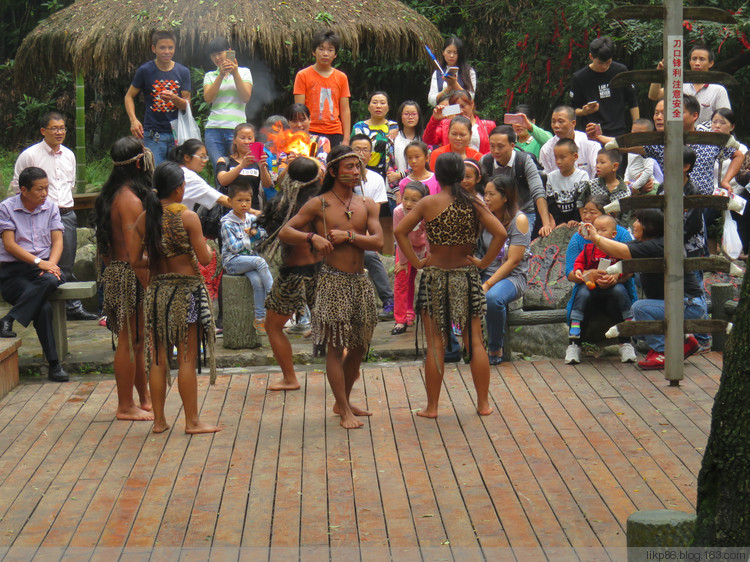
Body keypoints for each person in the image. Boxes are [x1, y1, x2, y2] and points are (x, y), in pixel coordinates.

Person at [394, 152, 507, 418]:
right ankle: (483, 404)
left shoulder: (428, 203)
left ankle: (432, 407)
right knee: (475, 341)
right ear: (459, 176)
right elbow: (501, 233)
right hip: (466, 275)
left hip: (435, 276)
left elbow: (400, 231)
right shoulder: (475, 204)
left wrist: (417, 262)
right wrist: (482, 262)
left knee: (435, 343)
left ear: (438, 175)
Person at [279, 145, 383, 429]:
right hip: (332, 280)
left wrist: (349, 235)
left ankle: (343, 402)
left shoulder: (367, 204)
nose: (355, 171)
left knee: (360, 346)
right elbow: (286, 231)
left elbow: (378, 242)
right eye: (349, 167)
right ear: (335, 171)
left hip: (360, 282)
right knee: (336, 347)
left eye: (358, 166)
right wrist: (312, 237)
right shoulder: (319, 203)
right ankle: (343, 410)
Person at [130, 161, 220, 434]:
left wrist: (160, 257)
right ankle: (192, 421)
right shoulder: (187, 217)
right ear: (180, 189)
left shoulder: (144, 219)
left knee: (158, 358)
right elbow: (204, 258)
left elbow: (135, 260)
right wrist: (210, 252)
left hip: (157, 293)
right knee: (187, 359)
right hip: (187, 293)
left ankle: (159, 421)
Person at [578, 209, 704, 370]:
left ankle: (662, 352)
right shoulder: (644, 243)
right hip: (672, 304)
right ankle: (684, 341)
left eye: (639, 221)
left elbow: (623, 252)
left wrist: (595, 237)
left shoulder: (660, 245)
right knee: (635, 329)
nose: (634, 224)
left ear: (651, 226)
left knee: (639, 308)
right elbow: (616, 249)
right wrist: (593, 237)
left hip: (689, 304)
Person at [10, 111, 97, 321]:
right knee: (38, 261)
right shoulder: (30, 155)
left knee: (65, 263)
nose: (59, 132)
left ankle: (72, 308)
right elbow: (17, 186)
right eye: (54, 128)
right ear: (43, 131)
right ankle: (42, 306)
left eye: (62, 128)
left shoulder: (69, 155)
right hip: (37, 215)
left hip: (65, 214)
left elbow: (70, 185)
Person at [94, 137, 154, 420]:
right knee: (130, 340)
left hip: (119, 272)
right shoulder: (129, 199)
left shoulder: (113, 193)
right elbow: (135, 253)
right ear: (140, 163)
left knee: (137, 340)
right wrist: (150, 284)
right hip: (130, 275)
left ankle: (143, 399)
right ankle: (124, 406)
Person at [256, 157, 323, 390]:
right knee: (332, 326)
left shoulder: (282, 204)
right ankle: (346, 371)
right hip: (322, 271)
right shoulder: (322, 204)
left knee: (273, 326)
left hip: (293, 273)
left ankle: (290, 378)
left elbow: (268, 228)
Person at [0, 167, 66, 382]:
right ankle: (55, 365)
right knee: (43, 307)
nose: (45, 193)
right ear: (24, 190)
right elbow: (9, 245)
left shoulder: (51, 208)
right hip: (12, 272)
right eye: (40, 189)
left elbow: (57, 241)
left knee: (50, 278)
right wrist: (40, 262)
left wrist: (51, 265)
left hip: (43, 269)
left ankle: (9, 318)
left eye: (47, 188)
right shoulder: (6, 208)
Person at [564, 195, 637, 365]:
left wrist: (616, 277)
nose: (587, 217)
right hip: (588, 286)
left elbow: (631, 267)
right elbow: (572, 271)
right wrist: (586, 274)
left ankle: (626, 340)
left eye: (593, 212)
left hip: (615, 287)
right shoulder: (580, 238)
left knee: (619, 292)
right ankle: (574, 343)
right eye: (585, 212)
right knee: (582, 295)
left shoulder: (621, 235)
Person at [479, 176, 530, 365]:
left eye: (492, 194)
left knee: (493, 298)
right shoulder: (484, 218)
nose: (487, 198)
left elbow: (514, 261)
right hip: (486, 272)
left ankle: (495, 347)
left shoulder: (520, 220)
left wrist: (488, 284)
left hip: (513, 277)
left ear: (506, 197)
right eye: (485, 194)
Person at [124, 30, 191, 165]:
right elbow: (129, 96)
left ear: (175, 48)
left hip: (178, 133)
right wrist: (133, 120)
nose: (167, 51)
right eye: (162, 47)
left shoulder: (183, 71)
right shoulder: (145, 70)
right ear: (154, 48)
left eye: (170, 47)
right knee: (154, 175)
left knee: (176, 175)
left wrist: (174, 98)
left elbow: (187, 105)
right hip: (153, 134)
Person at [350, 134, 395, 319]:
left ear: (370, 155)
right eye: (356, 149)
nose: (361, 154)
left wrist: (366, 239)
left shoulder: (376, 179)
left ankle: (389, 301)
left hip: (362, 234)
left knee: (369, 255)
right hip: (338, 232)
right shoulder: (339, 177)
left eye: (365, 150)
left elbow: (373, 215)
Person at [480, 125, 552, 236]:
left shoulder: (523, 161)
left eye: (500, 146)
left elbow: (538, 191)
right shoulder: (486, 161)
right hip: (494, 214)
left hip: (524, 212)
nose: (495, 151)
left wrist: (546, 224)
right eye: (492, 146)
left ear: (512, 146)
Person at [220, 182, 273, 333]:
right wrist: (248, 236)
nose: (244, 204)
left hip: (248, 261)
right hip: (233, 262)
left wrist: (255, 234)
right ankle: (273, 295)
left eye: (247, 201)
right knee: (260, 261)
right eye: (239, 200)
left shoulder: (250, 219)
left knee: (257, 281)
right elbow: (234, 248)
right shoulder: (227, 223)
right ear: (230, 201)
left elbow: (264, 234)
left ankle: (260, 318)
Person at [569, 36, 639, 138]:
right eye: (600, 63)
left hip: (618, 132)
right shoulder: (579, 78)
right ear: (591, 57)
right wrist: (584, 112)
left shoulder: (620, 71)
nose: (604, 67)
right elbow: (572, 109)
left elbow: (632, 101)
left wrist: (636, 126)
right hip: (592, 134)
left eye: (608, 62)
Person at [648, 44, 731, 127]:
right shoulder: (679, 86)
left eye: (702, 59)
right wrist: (658, 73)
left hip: (707, 137)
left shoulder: (718, 90)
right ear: (689, 62)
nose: (697, 63)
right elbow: (654, 95)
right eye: (694, 59)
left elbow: (725, 118)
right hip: (681, 136)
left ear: (711, 63)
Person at [202, 37, 253, 170]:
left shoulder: (244, 72)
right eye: (213, 55)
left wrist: (235, 73)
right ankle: (220, 191)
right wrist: (220, 75)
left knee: (238, 168)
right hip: (213, 129)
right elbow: (208, 98)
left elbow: (245, 97)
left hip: (236, 129)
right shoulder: (210, 75)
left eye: (220, 53)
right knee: (219, 169)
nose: (217, 57)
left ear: (229, 52)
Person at [293, 29, 351, 147]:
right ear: (314, 52)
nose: (325, 53)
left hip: (335, 132)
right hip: (311, 130)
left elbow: (345, 110)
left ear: (335, 54)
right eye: (321, 49)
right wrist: (301, 133)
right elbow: (299, 109)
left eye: (330, 50)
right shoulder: (302, 75)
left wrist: (346, 139)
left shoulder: (341, 77)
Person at [391, 181, 428, 335]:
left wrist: (429, 258)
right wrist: (404, 262)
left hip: (424, 247)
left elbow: (430, 237)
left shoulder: (427, 212)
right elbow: (400, 236)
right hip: (405, 247)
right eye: (405, 198)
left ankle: (410, 312)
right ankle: (400, 319)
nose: (408, 204)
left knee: (418, 278)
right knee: (402, 279)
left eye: (414, 201)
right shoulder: (398, 212)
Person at [216, 123, 273, 211]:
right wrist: (242, 165)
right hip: (229, 212)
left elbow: (267, 184)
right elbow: (223, 181)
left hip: (253, 211)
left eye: (250, 138)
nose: (246, 142)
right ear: (234, 140)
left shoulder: (258, 162)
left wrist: (262, 167)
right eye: (242, 138)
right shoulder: (224, 160)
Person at [169, 139, 231, 213]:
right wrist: (246, 208)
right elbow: (220, 199)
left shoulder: (172, 169)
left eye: (206, 157)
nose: (205, 160)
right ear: (187, 157)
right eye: (201, 157)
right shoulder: (190, 177)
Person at [423, 90, 495, 153]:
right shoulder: (445, 125)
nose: (461, 111)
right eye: (456, 108)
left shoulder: (488, 125)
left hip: (479, 165)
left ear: (472, 104)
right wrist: (435, 120)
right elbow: (428, 140)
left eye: (463, 106)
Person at [539, 106, 600, 179]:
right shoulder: (546, 149)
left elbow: (598, 173)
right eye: (553, 122)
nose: (556, 126)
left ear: (573, 123)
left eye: (561, 121)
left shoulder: (590, 144)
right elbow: (546, 178)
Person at [351, 91, 398, 183]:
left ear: (388, 108)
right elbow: (351, 149)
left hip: (387, 174)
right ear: (368, 107)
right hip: (361, 171)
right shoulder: (359, 127)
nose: (378, 106)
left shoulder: (394, 126)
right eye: (375, 102)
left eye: (382, 103)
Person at [576, 149, 631, 226]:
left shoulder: (625, 191)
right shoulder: (592, 184)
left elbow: (625, 217)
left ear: (614, 166)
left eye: (602, 162)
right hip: (593, 228)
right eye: (597, 162)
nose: (598, 166)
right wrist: (585, 219)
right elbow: (580, 202)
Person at [544, 139, 589, 229]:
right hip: (558, 222)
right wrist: (559, 222)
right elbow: (551, 202)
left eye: (562, 157)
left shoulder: (582, 176)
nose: (558, 161)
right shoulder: (551, 177)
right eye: (556, 157)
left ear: (575, 156)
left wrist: (576, 219)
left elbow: (582, 200)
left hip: (577, 221)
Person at [427, 36, 476, 107]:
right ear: (443, 52)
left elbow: (470, 98)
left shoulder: (469, 72)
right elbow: (431, 100)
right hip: (443, 113)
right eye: (448, 52)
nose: (451, 55)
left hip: (462, 114)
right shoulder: (437, 73)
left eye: (455, 53)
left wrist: (454, 84)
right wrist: (448, 89)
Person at [624, 118, 660, 195]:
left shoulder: (647, 149)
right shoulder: (631, 147)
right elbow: (629, 165)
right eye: (633, 133)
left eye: (640, 134)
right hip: (634, 185)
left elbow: (648, 171)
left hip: (649, 187)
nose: (636, 137)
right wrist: (626, 180)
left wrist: (635, 187)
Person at [392, 100, 425, 178]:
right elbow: (390, 168)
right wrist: (396, 189)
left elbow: (425, 164)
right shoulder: (392, 139)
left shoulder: (425, 139)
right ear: (400, 116)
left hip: (421, 185)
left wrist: (401, 175)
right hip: (397, 187)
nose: (410, 117)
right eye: (406, 114)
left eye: (414, 114)